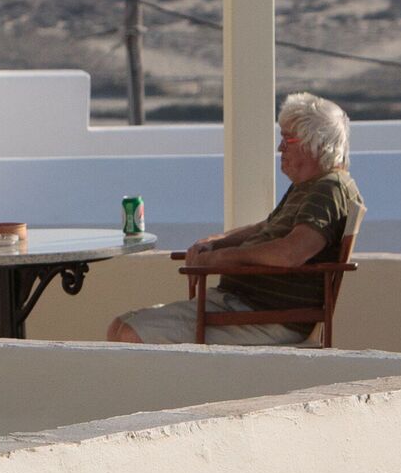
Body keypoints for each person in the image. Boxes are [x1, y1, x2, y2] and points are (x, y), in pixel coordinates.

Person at [109, 94, 361, 343]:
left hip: (267, 317)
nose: (280, 148)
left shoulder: (329, 189)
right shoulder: (308, 187)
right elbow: (265, 227)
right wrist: (216, 242)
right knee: (119, 327)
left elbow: (291, 253)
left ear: (315, 142)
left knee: (131, 333)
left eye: (287, 139)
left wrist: (221, 258)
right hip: (240, 305)